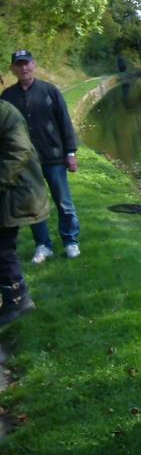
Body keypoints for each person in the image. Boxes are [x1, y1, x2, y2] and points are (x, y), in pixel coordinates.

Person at [1, 50, 80, 262]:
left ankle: (71, 241)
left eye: (27, 64)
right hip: (26, 164)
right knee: (34, 205)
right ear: (13, 69)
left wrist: (70, 152)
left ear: (34, 65)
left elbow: (65, 122)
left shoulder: (50, 91)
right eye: (19, 65)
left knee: (64, 202)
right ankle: (43, 245)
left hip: (54, 157)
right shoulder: (7, 96)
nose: (23, 68)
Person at [0, 99, 49, 326]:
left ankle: (18, 302)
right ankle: (14, 300)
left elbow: (19, 150)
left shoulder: (6, 113)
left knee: (3, 249)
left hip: (12, 193)